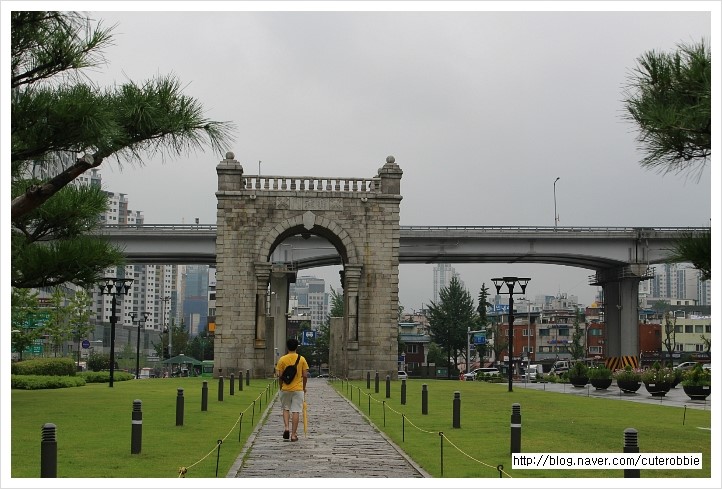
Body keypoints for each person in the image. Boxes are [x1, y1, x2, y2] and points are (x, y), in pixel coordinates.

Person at [275, 338, 309, 442]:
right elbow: (305, 375)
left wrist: (281, 386)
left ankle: (286, 428)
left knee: (286, 408)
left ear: (287, 347)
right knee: (296, 411)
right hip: (298, 389)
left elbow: (280, 376)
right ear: (296, 347)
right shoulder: (302, 359)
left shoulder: (282, 359)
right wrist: (303, 387)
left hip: (285, 388)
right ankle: (293, 435)